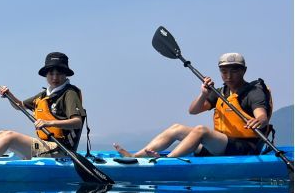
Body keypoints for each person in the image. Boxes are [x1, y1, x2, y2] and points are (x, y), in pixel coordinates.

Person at [114, 52, 273, 158]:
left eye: (234, 71)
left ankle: (167, 162)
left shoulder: (253, 92)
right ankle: (135, 157)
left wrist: (259, 120)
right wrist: (203, 93)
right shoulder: (220, 92)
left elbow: (262, 115)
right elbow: (193, 111)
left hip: (245, 148)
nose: (228, 76)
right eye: (224, 72)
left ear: (244, 71)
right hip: (222, 145)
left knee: (201, 130)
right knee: (177, 128)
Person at [0, 52, 86, 160]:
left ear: (66, 74)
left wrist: (49, 122)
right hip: (46, 146)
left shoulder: (69, 93)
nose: (55, 77)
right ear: (46, 75)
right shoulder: (45, 95)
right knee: (2, 133)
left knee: (10, 137)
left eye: (59, 73)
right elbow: (19, 106)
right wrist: (9, 94)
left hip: (61, 150)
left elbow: (77, 122)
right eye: (51, 73)